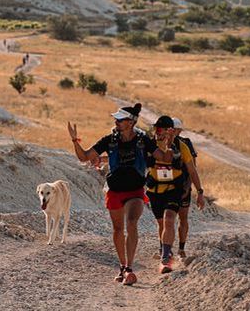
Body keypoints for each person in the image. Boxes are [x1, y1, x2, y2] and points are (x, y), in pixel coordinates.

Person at [67, 103, 174, 286]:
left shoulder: (143, 141)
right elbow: (84, 157)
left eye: (120, 119)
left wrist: (168, 144)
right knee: (117, 230)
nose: (116, 121)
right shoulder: (109, 140)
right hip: (115, 191)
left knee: (132, 223)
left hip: (135, 192)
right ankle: (123, 266)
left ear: (131, 122)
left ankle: (129, 268)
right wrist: (75, 141)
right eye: (116, 119)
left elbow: (164, 158)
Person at [147, 115, 205, 274]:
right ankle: (165, 249)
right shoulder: (149, 144)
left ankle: (166, 257)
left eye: (160, 129)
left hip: (174, 189)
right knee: (162, 223)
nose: (157, 132)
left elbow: (192, 170)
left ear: (170, 130)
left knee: (169, 219)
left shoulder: (182, 146)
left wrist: (200, 192)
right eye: (156, 128)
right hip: (154, 190)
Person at [172, 117, 199, 258]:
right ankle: (164, 249)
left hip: (183, 185)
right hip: (167, 186)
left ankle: (181, 248)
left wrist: (188, 187)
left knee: (183, 217)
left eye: (175, 129)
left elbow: (192, 168)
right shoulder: (161, 142)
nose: (172, 131)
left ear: (179, 130)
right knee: (167, 219)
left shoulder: (186, 143)